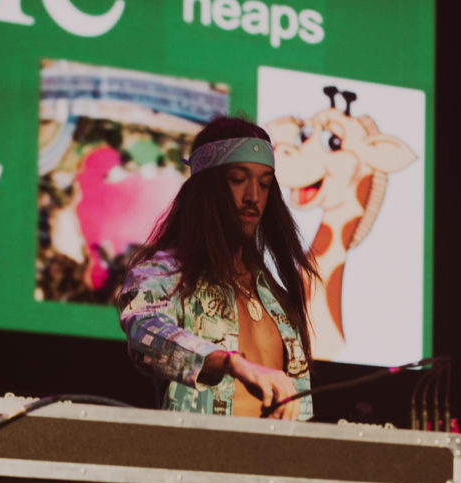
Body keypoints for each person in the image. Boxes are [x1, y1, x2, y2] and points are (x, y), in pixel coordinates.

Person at [118, 115, 319, 421]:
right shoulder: (165, 274)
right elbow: (145, 331)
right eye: (238, 179)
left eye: (264, 184)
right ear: (208, 188)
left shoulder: (275, 297)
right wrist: (232, 363)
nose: (253, 196)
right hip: (200, 451)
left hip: (274, 452)